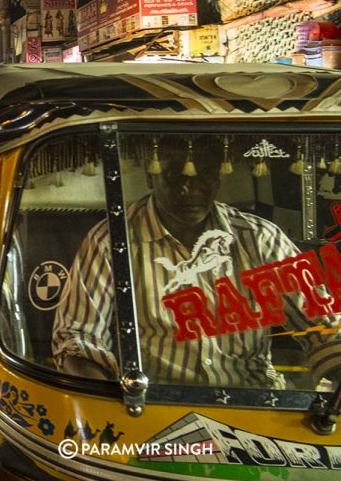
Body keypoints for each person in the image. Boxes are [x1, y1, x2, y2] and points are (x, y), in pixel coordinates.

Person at [52, 140, 341, 388]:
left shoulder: (259, 239)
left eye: (203, 175)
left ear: (218, 178)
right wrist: (104, 403)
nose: (190, 190)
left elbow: (324, 327)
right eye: (173, 176)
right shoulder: (111, 241)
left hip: (256, 401)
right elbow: (79, 339)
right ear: (151, 177)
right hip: (154, 407)